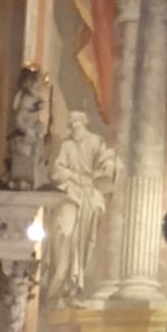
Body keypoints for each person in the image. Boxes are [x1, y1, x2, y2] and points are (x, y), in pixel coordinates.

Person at [45, 112, 117, 304]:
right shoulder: (67, 146)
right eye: (71, 122)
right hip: (70, 193)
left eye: (77, 121)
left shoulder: (96, 141)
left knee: (85, 242)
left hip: (90, 196)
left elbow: (107, 161)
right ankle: (60, 286)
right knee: (66, 235)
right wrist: (74, 177)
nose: (74, 125)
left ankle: (73, 287)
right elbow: (57, 170)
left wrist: (107, 166)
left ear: (85, 122)